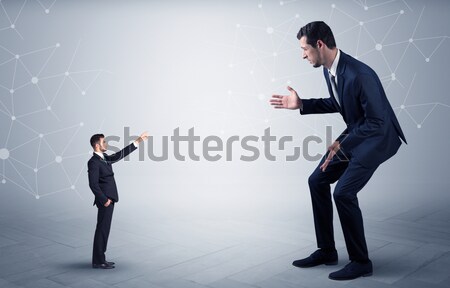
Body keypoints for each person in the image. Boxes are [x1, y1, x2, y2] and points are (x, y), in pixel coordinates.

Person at [270, 21, 406, 280]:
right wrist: (302, 104)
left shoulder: (360, 74)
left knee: (343, 193)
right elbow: (338, 102)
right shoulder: (330, 69)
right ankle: (327, 251)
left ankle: (361, 261)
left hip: (377, 138)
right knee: (317, 180)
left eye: (304, 49)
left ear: (319, 45)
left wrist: (341, 144)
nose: (302, 55)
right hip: (357, 131)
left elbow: (377, 121)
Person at [88, 131, 148, 269]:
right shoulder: (93, 162)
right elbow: (93, 184)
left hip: (110, 199)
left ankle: (100, 258)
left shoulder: (104, 157)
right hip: (105, 201)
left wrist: (137, 141)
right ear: (97, 145)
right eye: (104, 142)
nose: (106, 144)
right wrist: (104, 200)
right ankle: (98, 261)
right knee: (102, 230)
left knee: (105, 230)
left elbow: (119, 155)